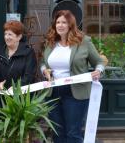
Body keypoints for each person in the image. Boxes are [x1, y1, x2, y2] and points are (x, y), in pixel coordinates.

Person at [40, 10, 104, 143]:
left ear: (71, 25)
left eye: (64, 22)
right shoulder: (50, 41)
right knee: (57, 133)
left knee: (73, 133)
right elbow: (43, 63)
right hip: (53, 92)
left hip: (75, 92)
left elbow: (99, 62)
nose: (60, 25)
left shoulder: (84, 41)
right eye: (58, 22)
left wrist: (98, 71)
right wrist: (44, 70)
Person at [0, 20, 37, 90]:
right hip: (3, 95)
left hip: (22, 97)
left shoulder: (28, 52)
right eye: (5, 34)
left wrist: (16, 87)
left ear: (19, 37)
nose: (6, 37)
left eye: (10, 34)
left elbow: (29, 76)